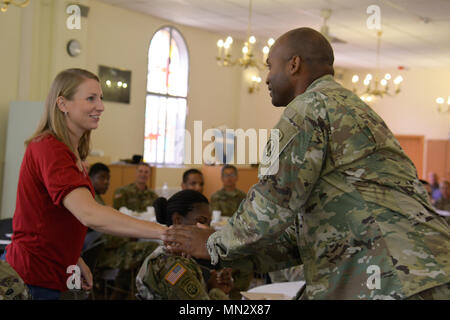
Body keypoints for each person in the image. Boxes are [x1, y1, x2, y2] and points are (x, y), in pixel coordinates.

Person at [163, 28, 450, 300]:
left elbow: (271, 206)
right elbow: (302, 236)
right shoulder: (358, 110)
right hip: (427, 269)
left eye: (269, 66)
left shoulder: (306, 109)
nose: (266, 78)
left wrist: (213, 244)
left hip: (386, 277)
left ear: (294, 65)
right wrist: (227, 255)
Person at [2, 68, 167, 300]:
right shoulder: (51, 148)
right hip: (33, 277)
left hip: (55, 272)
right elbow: (89, 214)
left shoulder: (70, 151)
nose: (100, 106)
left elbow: (54, 219)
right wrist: (163, 232)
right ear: (62, 104)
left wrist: (73, 258)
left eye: (100, 98)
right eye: (91, 98)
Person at [136, 190, 233, 300]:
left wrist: (211, 285)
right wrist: (217, 291)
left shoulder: (182, 258)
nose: (207, 230)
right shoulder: (172, 267)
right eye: (201, 221)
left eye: (209, 224)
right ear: (178, 220)